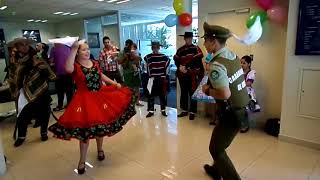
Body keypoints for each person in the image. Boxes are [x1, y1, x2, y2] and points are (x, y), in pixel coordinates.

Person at [48, 41, 136, 175]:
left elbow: (101, 75)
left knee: (100, 126)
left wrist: (114, 83)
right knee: (85, 134)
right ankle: (82, 160)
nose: (87, 51)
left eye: (88, 49)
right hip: (84, 101)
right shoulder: (75, 66)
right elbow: (68, 69)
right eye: (83, 50)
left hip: (100, 97)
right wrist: (73, 49)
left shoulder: (94, 63)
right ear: (77, 52)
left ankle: (100, 149)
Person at [201, 22, 249, 180]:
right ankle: (217, 170)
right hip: (241, 108)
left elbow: (225, 94)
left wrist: (208, 90)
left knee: (216, 149)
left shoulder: (217, 65)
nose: (204, 43)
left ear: (214, 42)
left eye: (206, 40)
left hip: (231, 113)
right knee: (219, 141)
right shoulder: (232, 55)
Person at [7, 37, 56, 147]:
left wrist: (37, 65)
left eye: (26, 44)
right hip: (24, 92)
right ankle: (21, 136)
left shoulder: (36, 55)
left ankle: (43, 133)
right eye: (21, 44)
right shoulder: (14, 59)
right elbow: (13, 75)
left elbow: (47, 71)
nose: (24, 46)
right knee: (23, 115)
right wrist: (14, 88)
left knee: (44, 112)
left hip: (41, 89)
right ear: (17, 47)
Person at [174, 32, 204, 120]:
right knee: (183, 92)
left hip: (192, 74)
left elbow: (197, 60)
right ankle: (184, 110)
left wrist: (186, 67)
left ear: (192, 38)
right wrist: (180, 67)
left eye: (190, 38)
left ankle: (192, 112)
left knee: (192, 93)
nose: (188, 40)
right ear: (184, 39)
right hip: (182, 74)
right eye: (187, 38)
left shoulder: (196, 48)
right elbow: (176, 59)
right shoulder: (180, 50)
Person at [144, 41, 170, 118]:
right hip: (152, 79)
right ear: (152, 48)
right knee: (151, 95)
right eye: (153, 47)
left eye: (156, 47)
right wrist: (149, 75)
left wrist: (164, 75)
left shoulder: (164, 56)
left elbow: (167, 67)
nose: (155, 48)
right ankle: (151, 111)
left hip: (161, 79)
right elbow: (146, 68)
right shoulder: (148, 57)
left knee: (162, 95)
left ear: (159, 47)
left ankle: (163, 110)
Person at [239, 55, 261, 133]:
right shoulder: (239, 72)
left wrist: (238, 83)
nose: (241, 65)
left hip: (247, 93)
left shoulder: (251, 72)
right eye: (240, 63)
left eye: (244, 63)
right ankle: (239, 124)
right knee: (239, 110)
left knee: (245, 110)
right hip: (239, 92)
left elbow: (248, 83)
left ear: (249, 64)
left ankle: (245, 126)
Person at [50, 43, 74, 111]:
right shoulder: (69, 48)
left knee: (60, 91)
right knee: (69, 91)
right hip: (69, 72)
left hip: (58, 74)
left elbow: (51, 61)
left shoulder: (53, 49)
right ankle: (69, 105)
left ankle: (60, 105)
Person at [118, 39, 142, 105]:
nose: (129, 46)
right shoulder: (122, 52)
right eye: (127, 45)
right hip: (127, 72)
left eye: (130, 45)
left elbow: (139, 59)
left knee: (137, 87)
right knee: (129, 88)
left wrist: (136, 57)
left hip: (135, 71)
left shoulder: (133, 51)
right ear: (126, 44)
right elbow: (119, 62)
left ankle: (137, 101)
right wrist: (125, 58)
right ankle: (130, 102)